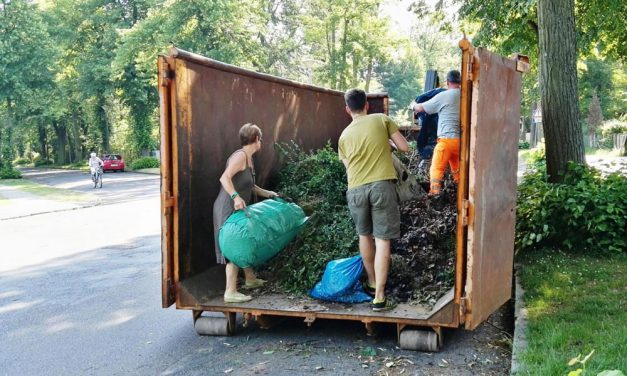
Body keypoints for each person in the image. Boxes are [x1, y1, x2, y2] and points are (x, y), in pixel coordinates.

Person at [338, 88, 409, 312]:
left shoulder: (343, 136)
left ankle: (370, 281)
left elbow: (348, 167)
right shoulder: (381, 119)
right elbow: (405, 148)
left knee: (364, 235)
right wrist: (389, 146)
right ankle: (379, 296)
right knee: (382, 240)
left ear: (348, 109)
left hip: (356, 190)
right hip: (381, 187)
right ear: (367, 105)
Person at [212, 123, 278, 303]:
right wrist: (235, 197)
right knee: (234, 247)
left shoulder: (248, 158)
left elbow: (251, 186)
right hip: (227, 207)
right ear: (256, 139)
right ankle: (230, 292)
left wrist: (269, 194)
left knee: (243, 241)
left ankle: (250, 279)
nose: (261, 142)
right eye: (260, 139)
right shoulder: (240, 156)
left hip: (237, 208)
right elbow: (224, 177)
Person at [411, 70, 461, 195]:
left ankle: (435, 195)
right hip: (461, 142)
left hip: (446, 142)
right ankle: (460, 194)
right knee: (457, 171)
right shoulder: (466, 95)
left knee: (436, 170)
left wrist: (413, 105)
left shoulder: (444, 95)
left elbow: (421, 108)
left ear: (447, 82)